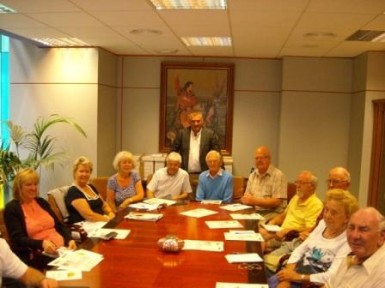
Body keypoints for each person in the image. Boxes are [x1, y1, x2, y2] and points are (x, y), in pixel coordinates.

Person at [268, 189, 359, 288]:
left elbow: (331, 276)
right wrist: (287, 278)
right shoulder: (322, 224)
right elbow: (300, 250)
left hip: (311, 283)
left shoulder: (348, 240)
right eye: (326, 210)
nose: (327, 216)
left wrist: (296, 277)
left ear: (347, 218)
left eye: (334, 213)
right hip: (295, 273)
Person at [4, 168, 76, 269]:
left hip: (63, 250)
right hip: (37, 256)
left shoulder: (41, 202)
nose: (33, 188)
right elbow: (18, 240)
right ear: (19, 187)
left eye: (35, 184)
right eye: (28, 184)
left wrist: (70, 239)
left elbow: (59, 225)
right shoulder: (12, 208)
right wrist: (41, 243)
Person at [259, 171, 323, 250]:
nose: (298, 186)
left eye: (302, 183)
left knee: (258, 242)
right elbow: (283, 215)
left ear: (312, 186)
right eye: (297, 182)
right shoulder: (296, 197)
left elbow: (310, 229)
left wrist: (289, 230)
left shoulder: (316, 204)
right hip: (280, 232)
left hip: (292, 237)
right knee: (258, 233)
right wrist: (273, 222)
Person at [324, 207, 385, 288]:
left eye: (363, 229)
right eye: (351, 228)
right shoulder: (351, 258)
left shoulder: (382, 273)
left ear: (381, 236)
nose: (354, 236)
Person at [240, 146, 287, 219]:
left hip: (273, 213)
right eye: (256, 158)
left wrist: (255, 201)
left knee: (254, 224)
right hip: (255, 212)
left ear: (269, 159)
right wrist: (245, 199)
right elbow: (247, 196)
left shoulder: (278, 175)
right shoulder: (252, 175)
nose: (259, 160)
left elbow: (276, 202)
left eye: (261, 158)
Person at [65, 156, 115, 224]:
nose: (84, 174)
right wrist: (108, 219)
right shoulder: (73, 192)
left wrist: (110, 213)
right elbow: (90, 216)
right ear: (75, 172)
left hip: (101, 222)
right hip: (86, 226)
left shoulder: (91, 187)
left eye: (87, 171)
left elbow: (104, 205)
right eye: (81, 171)